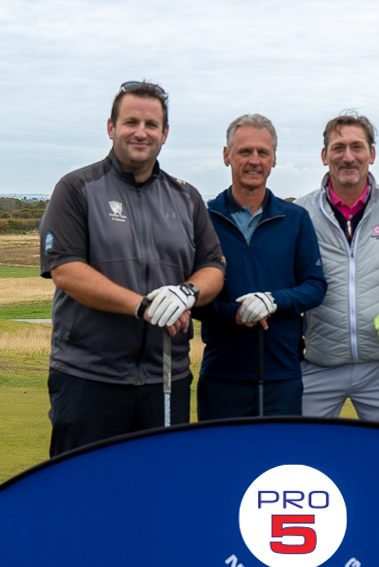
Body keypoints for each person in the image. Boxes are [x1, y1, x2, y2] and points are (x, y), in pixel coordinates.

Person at [38, 80, 225, 455]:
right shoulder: (76, 188)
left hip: (166, 378)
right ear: (111, 127)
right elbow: (67, 269)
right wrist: (143, 306)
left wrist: (188, 293)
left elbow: (213, 266)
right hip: (88, 378)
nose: (141, 132)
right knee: (84, 496)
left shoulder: (186, 197)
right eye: (130, 122)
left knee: (160, 496)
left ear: (164, 133)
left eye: (151, 124)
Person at [196, 115, 326, 419]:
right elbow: (196, 298)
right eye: (244, 152)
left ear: (274, 159)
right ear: (227, 155)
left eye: (262, 153)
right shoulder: (204, 219)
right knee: (223, 464)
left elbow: (315, 286)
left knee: (281, 466)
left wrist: (274, 300)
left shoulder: (295, 219)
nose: (254, 160)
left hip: (283, 375)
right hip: (222, 375)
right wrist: (234, 315)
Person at [295, 114, 379, 425]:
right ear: (324, 156)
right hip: (317, 365)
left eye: (357, 147)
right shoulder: (300, 213)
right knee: (307, 459)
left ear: (371, 154)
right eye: (338, 147)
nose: (348, 157)